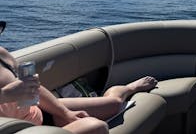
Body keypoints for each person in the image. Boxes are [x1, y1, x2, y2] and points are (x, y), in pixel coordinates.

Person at [0, 22, 158, 134]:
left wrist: (65, 113)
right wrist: (5, 95)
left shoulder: (2, 55)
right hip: (18, 129)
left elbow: (33, 89)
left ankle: (128, 88)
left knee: (114, 104)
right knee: (96, 127)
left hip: (37, 112)